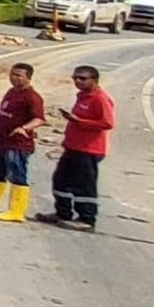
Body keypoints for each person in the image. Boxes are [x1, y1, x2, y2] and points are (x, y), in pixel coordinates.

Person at [35, 63, 116, 231]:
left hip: (89, 149)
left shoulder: (99, 99)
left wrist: (79, 121)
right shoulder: (82, 96)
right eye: (75, 78)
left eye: (82, 78)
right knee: (61, 180)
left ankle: (86, 219)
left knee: (83, 184)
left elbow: (107, 123)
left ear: (94, 80)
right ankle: (63, 212)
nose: (78, 81)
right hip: (73, 146)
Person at [0, 61, 45, 223]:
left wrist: (24, 128)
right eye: (12, 74)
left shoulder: (32, 97)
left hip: (18, 144)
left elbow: (39, 119)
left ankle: (16, 211)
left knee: (17, 174)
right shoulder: (12, 92)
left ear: (28, 78)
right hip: (3, 141)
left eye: (19, 75)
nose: (14, 78)